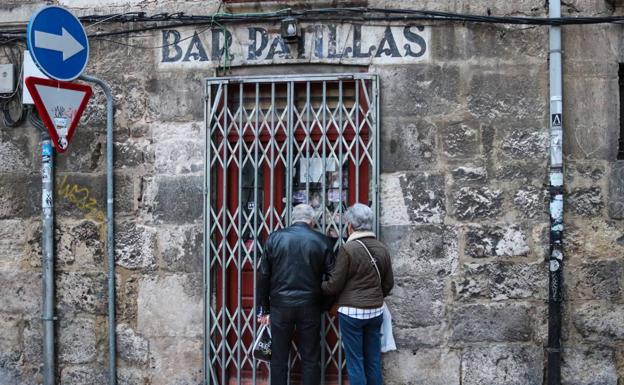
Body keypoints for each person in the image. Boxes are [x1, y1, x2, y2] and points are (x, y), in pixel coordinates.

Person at [256, 203, 334, 385]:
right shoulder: (322, 241)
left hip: (281, 306)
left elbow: (264, 276)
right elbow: (333, 279)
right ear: (312, 221)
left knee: (279, 358)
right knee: (310, 358)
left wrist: (264, 310)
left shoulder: (274, 238)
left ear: (291, 219)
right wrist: (324, 305)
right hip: (310, 306)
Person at [322, 203, 394, 385]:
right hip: (375, 312)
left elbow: (335, 284)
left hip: (352, 313)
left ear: (350, 225)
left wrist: (320, 286)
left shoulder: (348, 249)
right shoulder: (382, 248)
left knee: (355, 362)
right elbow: (388, 284)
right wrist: (374, 297)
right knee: (373, 360)